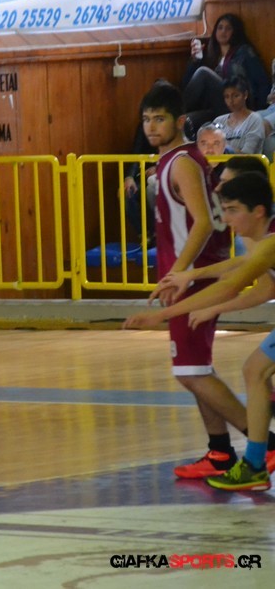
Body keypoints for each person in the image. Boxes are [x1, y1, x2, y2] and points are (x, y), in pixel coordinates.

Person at [120, 82, 249, 481]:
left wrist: (180, 273)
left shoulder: (180, 163)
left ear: (179, 122)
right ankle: (220, 451)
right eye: (146, 119)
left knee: (190, 372)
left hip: (193, 276)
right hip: (192, 273)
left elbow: (204, 223)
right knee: (196, 368)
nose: (151, 126)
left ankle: (264, 443)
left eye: (159, 119)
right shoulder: (176, 160)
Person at [124, 172, 275, 489]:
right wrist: (195, 280)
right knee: (255, 371)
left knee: (256, 372)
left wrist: (162, 315)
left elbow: (231, 285)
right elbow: (249, 276)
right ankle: (255, 463)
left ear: (258, 211)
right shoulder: (265, 241)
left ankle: (255, 463)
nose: (226, 219)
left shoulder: (270, 244)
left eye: (232, 210)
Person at [182, 13, 270, 133]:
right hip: (214, 108)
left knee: (203, 73)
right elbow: (187, 86)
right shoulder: (210, 55)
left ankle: (175, 110)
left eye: (228, 28)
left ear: (235, 32)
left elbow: (262, 82)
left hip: (236, 104)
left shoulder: (244, 52)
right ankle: (176, 116)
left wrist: (258, 113)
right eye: (220, 28)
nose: (223, 31)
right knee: (185, 121)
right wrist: (195, 60)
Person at [211, 77, 266, 154]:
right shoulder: (219, 121)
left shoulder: (255, 119)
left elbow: (247, 154)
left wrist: (223, 147)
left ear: (245, 95)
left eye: (236, 96)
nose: (231, 101)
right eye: (227, 97)